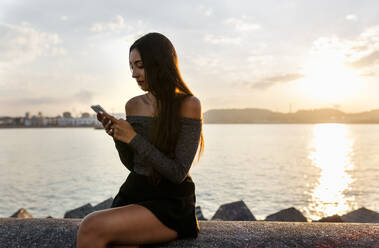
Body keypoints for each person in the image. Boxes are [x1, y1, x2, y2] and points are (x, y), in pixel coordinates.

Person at [76, 32, 205, 248]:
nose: (134, 74)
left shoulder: (189, 105)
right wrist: (118, 137)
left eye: (140, 65)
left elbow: (177, 173)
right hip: (135, 192)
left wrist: (133, 138)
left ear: (160, 64)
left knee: (90, 225)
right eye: (131, 67)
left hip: (170, 201)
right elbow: (135, 166)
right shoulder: (133, 105)